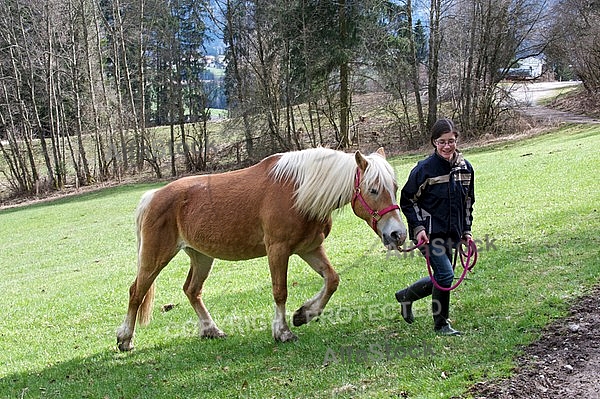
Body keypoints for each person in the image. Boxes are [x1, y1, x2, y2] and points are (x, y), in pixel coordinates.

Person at [395, 118, 475, 336]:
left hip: (453, 233)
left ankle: (406, 296)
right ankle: (441, 324)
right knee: (446, 275)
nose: (447, 146)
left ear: (456, 140)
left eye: (451, 141)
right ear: (434, 143)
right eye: (441, 142)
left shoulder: (466, 169)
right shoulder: (424, 169)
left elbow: (468, 202)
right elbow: (407, 200)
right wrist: (419, 228)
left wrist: (466, 230)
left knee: (442, 276)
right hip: (428, 235)